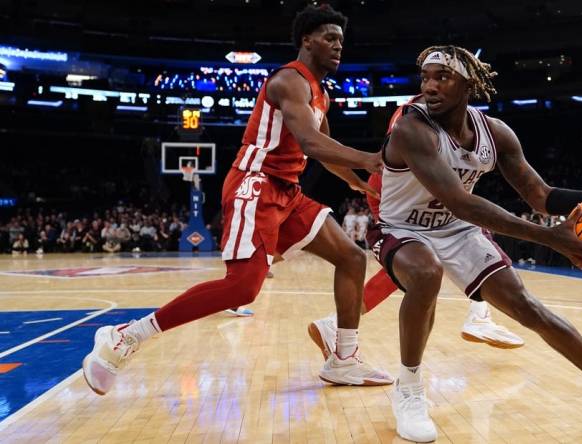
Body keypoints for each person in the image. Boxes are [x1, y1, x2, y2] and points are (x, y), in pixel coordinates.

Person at [333, 46, 582, 442]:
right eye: (426, 77)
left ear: (468, 84)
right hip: (401, 227)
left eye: (443, 78)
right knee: (425, 273)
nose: (430, 86)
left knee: (527, 307)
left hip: (456, 229)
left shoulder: (496, 133)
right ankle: (410, 389)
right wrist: (548, 236)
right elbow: (460, 200)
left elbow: (540, 193)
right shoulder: (411, 129)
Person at [82, 5, 393, 397]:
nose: (338, 47)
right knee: (242, 289)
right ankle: (124, 336)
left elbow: (324, 153)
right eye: (330, 38)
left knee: (350, 257)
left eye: (342, 41)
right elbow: (311, 141)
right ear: (307, 40)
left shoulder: (320, 94)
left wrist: (361, 183)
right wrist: (370, 158)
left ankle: (343, 359)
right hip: (256, 185)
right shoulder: (288, 81)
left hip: (288, 191)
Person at [309, 96, 525, 356]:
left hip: (401, 188)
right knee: (446, 245)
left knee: (426, 260)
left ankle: (334, 324)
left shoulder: (438, 112)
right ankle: (479, 315)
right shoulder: (419, 115)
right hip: (398, 191)